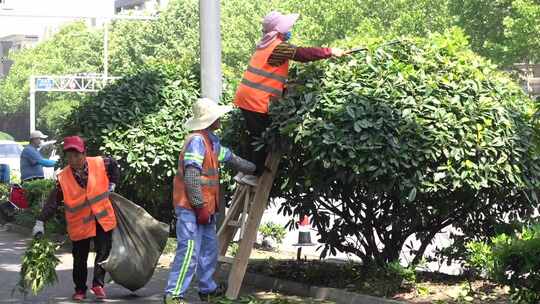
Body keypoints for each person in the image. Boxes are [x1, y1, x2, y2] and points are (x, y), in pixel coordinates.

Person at [233, 11, 347, 186]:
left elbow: (267, 75)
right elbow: (303, 54)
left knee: (253, 135)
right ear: (278, 31)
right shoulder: (278, 46)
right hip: (256, 101)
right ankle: (253, 174)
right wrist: (330, 51)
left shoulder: (263, 45)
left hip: (245, 97)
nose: (290, 30)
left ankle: (243, 171)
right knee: (263, 137)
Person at [164, 98, 256, 304]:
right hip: (191, 207)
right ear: (210, 120)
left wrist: (254, 168)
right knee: (189, 250)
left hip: (206, 207)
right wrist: (199, 206)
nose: (221, 118)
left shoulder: (211, 141)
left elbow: (231, 158)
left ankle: (207, 288)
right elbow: (191, 175)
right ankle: (173, 295)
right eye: (217, 116)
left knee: (208, 249)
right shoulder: (197, 141)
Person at [32, 136, 119, 301]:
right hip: (79, 224)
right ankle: (80, 289)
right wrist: (40, 221)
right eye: (69, 156)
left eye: (77, 155)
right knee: (80, 259)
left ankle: (98, 284)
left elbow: (114, 165)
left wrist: (112, 184)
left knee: (103, 251)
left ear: (84, 153)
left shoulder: (101, 163)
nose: (73, 160)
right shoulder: (63, 177)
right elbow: (53, 202)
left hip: (102, 217)